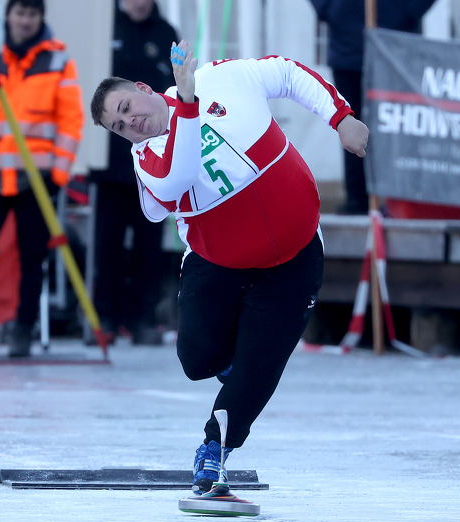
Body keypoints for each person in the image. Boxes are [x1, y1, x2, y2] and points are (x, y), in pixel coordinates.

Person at [89, 40, 369, 492]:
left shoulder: (218, 78)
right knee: (197, 361)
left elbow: (285, 72)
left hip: (294, 255)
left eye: (126, 107)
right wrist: (186, 105)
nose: (130, 122)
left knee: (259, 368)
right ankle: (236, 357)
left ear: (142, 88)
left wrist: (340, 117)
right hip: (218, 264)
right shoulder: (147, 159)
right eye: (119, 126)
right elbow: (179, 173)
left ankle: (214, 449)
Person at [0, 0, 83, 358]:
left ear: (41, 18)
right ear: (7, 16)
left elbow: (70, 120)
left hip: (35, 179)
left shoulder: (57, 60)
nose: (25, 20)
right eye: (19, 13)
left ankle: (23, 331)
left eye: (32, 14)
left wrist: (58, 173)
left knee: (33, 257)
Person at [91, 0, 178, 346]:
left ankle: (143, 318)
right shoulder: (105, 29)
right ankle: (105, 317)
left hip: (155, 157)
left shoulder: (165, 32)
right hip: (110, 161)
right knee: (108, 243)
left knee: (149, 244)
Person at [310, 0, 435, 214]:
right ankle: (358, 199)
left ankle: (398, 200)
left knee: (397, 127)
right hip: (348, 45)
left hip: (396, 47)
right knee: (350, 124)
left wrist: (407, 10)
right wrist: (331, 8)